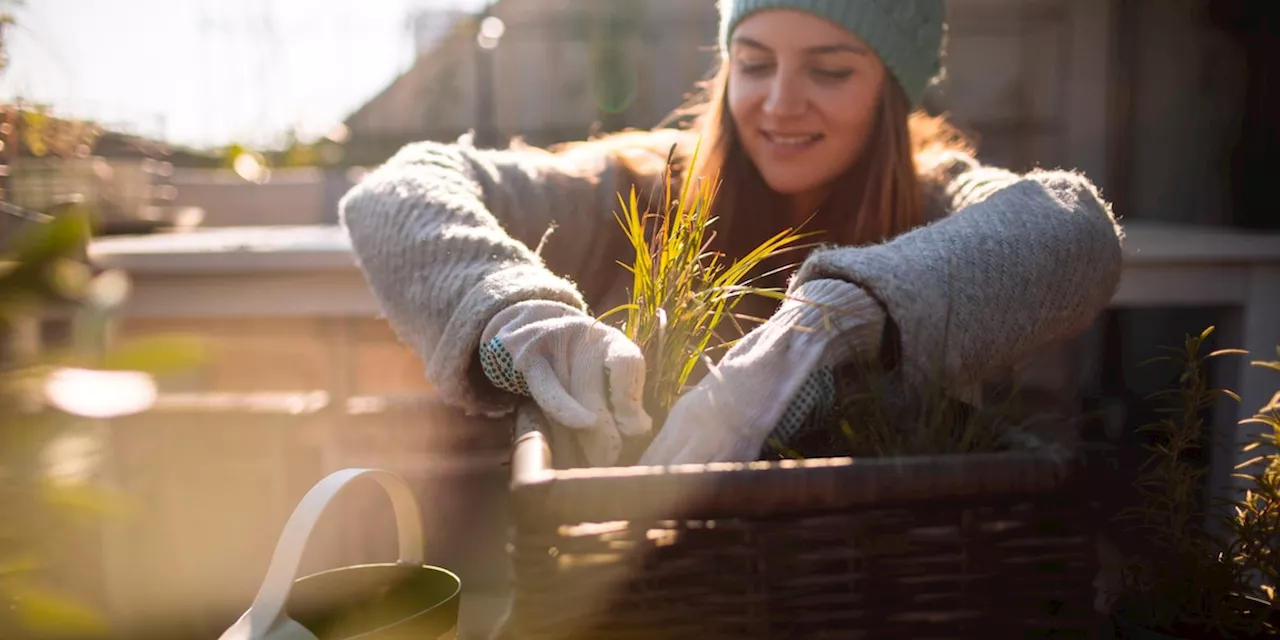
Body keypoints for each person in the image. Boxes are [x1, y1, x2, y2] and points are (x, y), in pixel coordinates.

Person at [338, 0, 1125, 468]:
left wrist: (825, 327)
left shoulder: (937, 202)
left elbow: (1075, 227)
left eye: (829, 70)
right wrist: (522, 315)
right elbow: (397, 194)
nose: (781, 103)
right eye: (754, 63)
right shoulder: (643, 190)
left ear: (891, 87)